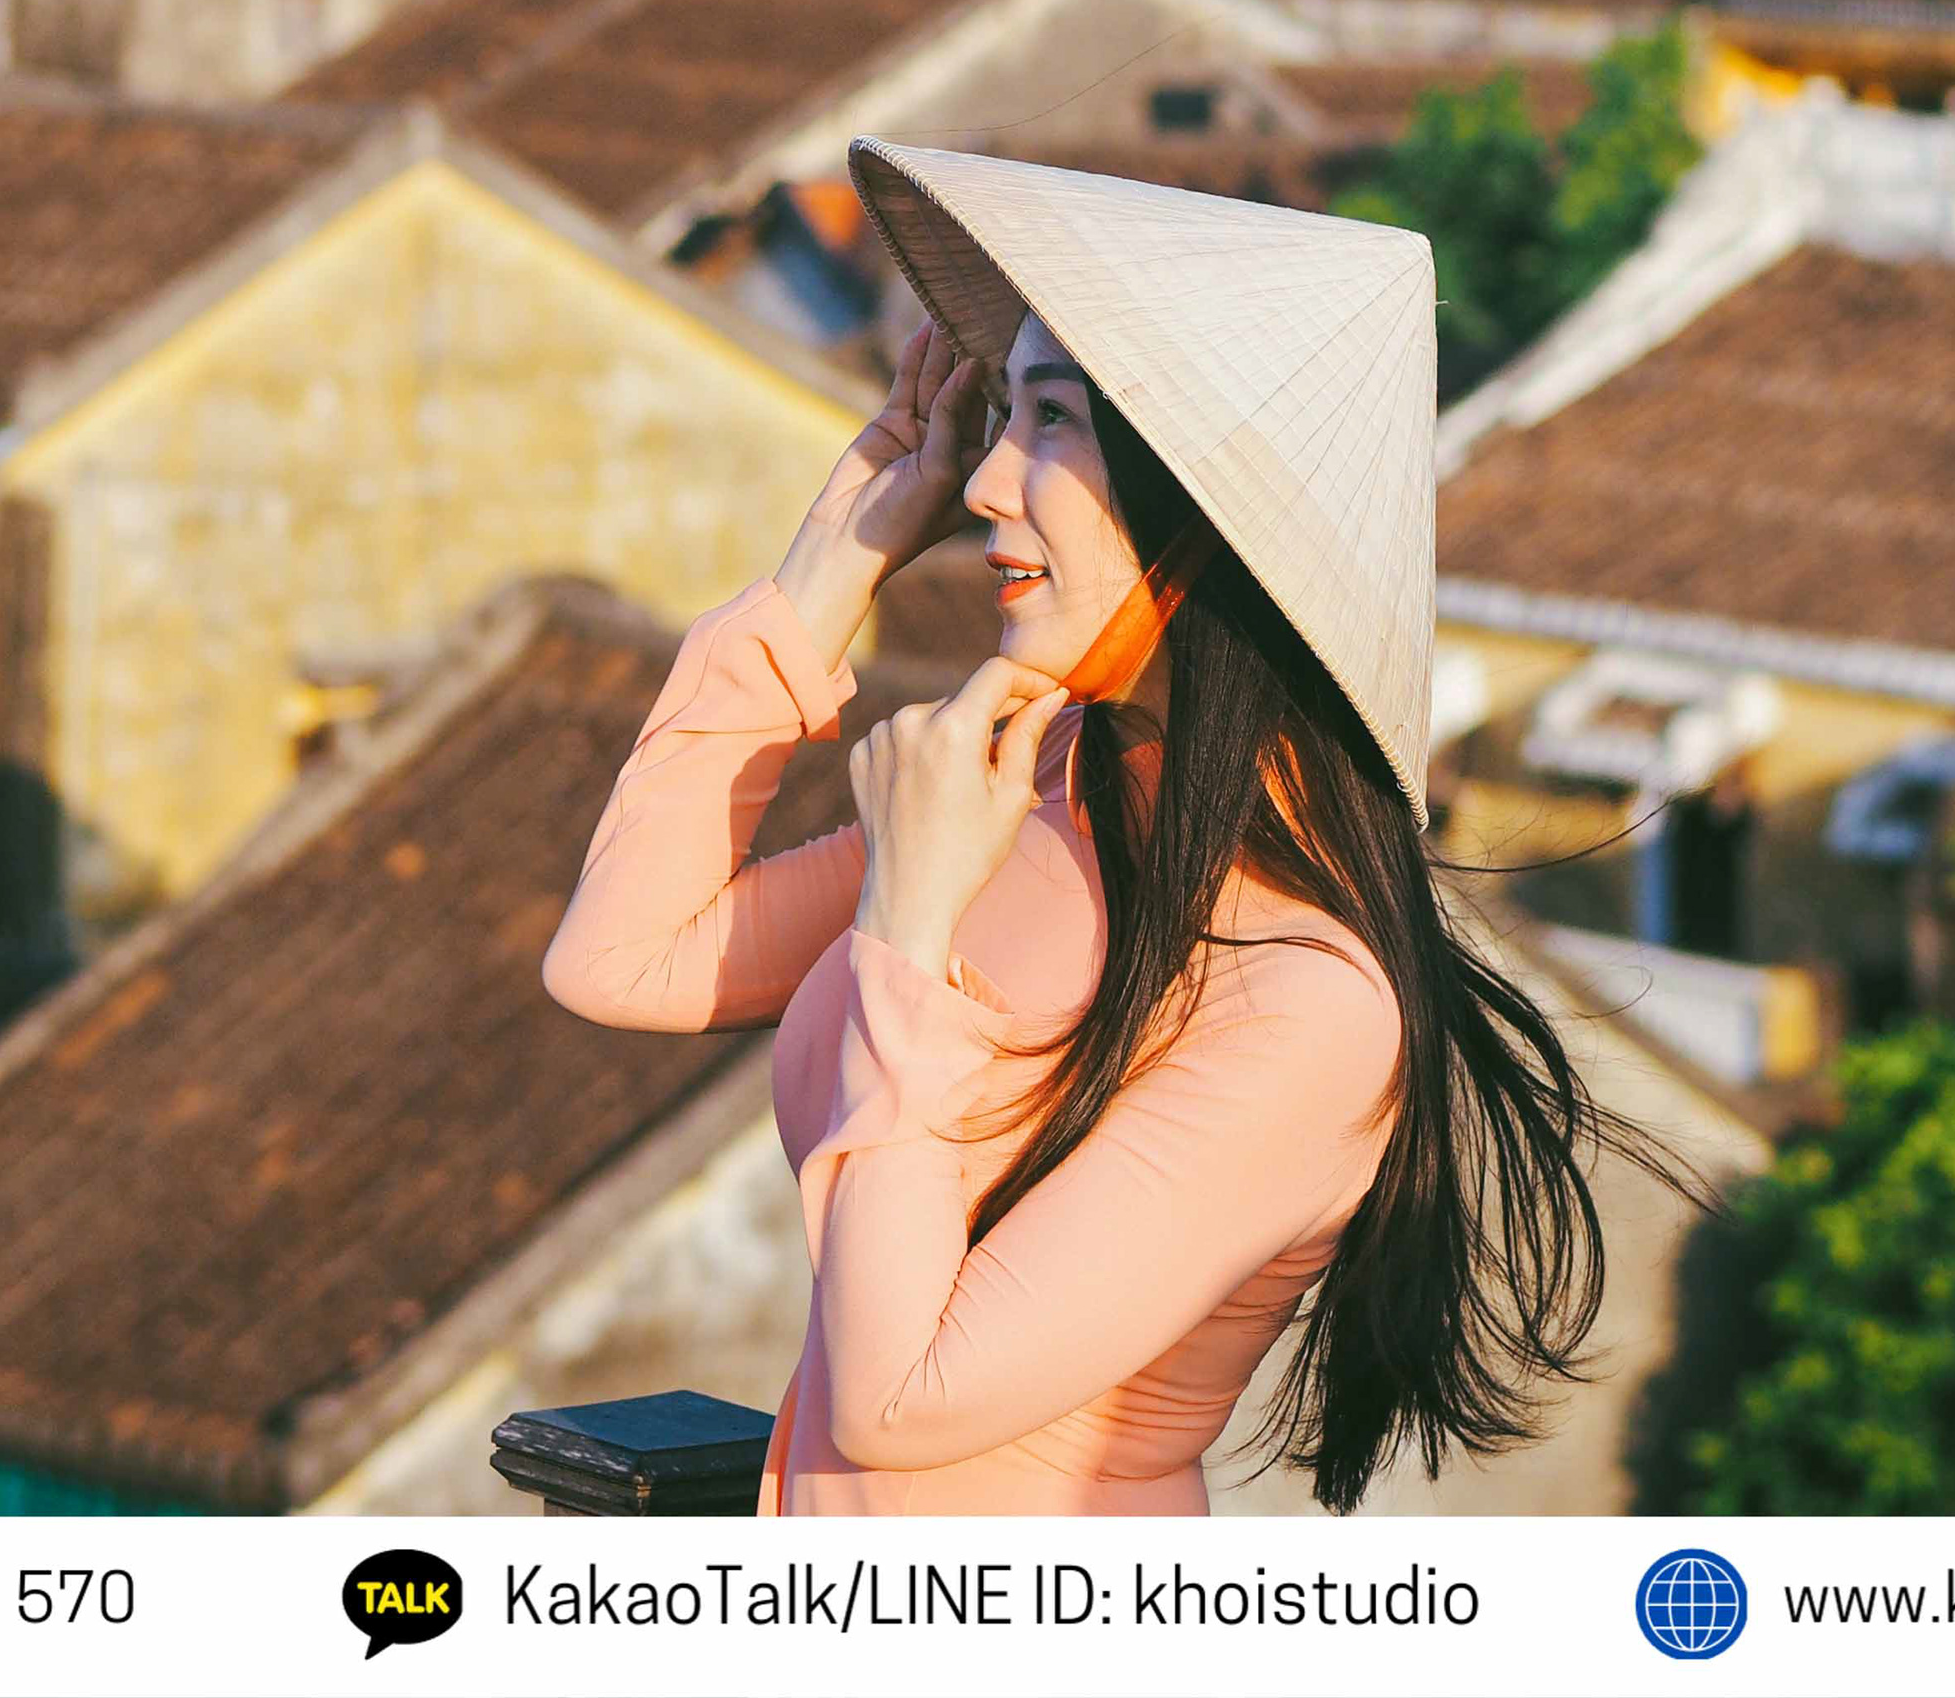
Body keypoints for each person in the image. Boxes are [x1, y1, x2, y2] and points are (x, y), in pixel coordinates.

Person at [544, 137, 1671, 1515]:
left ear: (1200, 513)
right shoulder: (1035, 787)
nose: (982, 484)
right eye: (1002, 417)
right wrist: (831, 561)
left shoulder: (1307, 1001)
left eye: (1054, 422)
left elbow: (902, 1402)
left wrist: (905, 928)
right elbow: (624, 961)